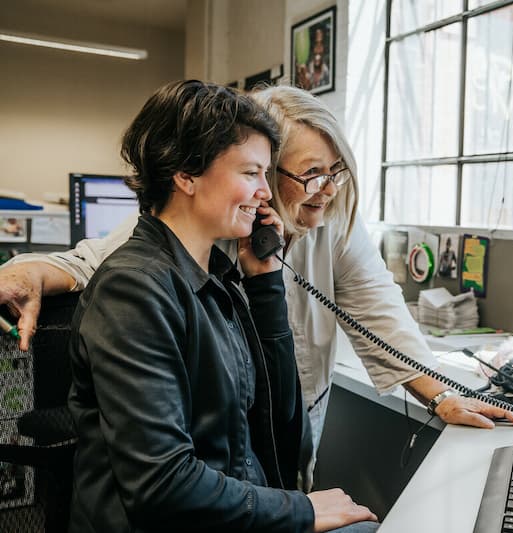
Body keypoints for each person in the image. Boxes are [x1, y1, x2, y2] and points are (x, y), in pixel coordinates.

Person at [0, 85, 513, 461]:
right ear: (261, 167)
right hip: (218, 446)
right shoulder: (198, 233)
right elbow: (93, 262)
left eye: (336, 171)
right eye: (311, 173)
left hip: (294, 423)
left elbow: (379, 309)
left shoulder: (335, 222)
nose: (328, 188)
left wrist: (439, 392)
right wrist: (25, 270)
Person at [66, 80, 376, 532]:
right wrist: (301, 511)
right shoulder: (132, 292)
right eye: (251, 174)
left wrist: (267, 282)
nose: (265, 193)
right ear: (186, 174)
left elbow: (283, 429)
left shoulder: (217, 281)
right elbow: (162, 484)